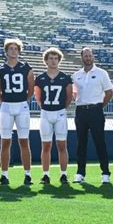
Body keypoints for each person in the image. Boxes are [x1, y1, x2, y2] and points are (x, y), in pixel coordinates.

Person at [0, 38, 34, 185]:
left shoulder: (26, 68)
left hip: (22, 105)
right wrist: (4, 102)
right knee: (5, 142)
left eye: (16, 48)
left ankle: (28, 174)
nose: (13, 51)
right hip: (7, 106)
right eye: (10, 48)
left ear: (19, 51)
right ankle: (4, 174)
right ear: (6, 51)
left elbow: (31, 89)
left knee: (24, 141)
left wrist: (24, 100)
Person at [72, 47, 113, 184]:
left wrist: (100, 106)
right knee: (81, 144)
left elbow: (109, 93)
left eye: (90, 55)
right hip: (81, 111)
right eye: (85, 56)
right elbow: (74, 93)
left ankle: (105, 173)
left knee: (100, 142)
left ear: (93, 57)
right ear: (81, 57)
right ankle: (80, 173)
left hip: (96, 111)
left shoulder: (102, 73)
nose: (88, 58)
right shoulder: (76, 75)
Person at [34, 48, 72, 184]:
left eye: (56, 58)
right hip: (46, 113)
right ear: (46, 60)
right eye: (51, 58)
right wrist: (46, 108)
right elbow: (38, 97)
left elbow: (69, 97)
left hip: (60, 112)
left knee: (62, 145)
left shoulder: (65, 78)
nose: (53, 60)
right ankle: (45, 174)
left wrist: (61, 109)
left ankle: (63, 174)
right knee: (46, 146)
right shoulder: (40, 78)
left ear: (59, 60)